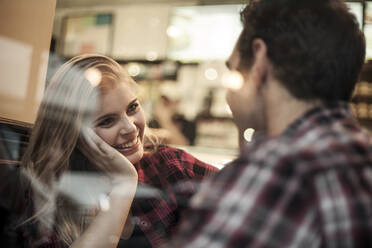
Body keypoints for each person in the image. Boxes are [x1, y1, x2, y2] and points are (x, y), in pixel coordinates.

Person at [169, 0, 372, 247]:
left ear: (259, 58)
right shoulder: (359, 154)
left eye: (232, 71)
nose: (229, 94)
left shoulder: (279, 171)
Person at [19, 54, 217, 247]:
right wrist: (124, 183)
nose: (130, 128)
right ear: (73, 135)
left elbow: (244, 195)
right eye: (107, 121)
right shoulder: (49, 198)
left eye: (132, 108)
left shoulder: (170, 166)